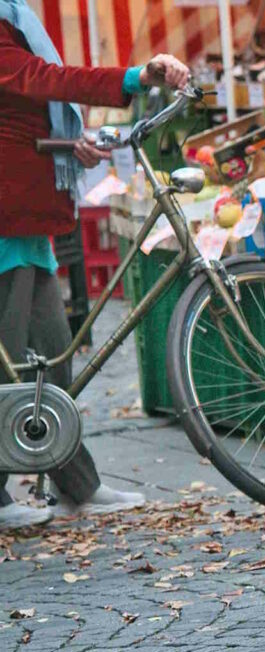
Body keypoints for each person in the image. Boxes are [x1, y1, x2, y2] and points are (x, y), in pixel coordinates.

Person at [0, 0, 190, 529]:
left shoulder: (13, 17)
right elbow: (37, 79)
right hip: (7, 214)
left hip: (24, 211)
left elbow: (20, 103)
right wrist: (133, 77)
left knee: (54, 362)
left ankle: (75, 484)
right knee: (8, 365)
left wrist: (68, 142)